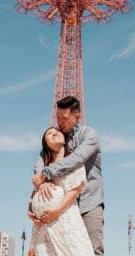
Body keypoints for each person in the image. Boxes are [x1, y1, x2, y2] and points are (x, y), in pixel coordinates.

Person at [31, 95, 104, 255]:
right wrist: (41, 183)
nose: (59, 122)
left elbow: (77, 159)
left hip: (88, 204)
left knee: (92, 250)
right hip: (62, 210)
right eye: (57, 117)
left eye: (63, 118)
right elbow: (39, 165)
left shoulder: (89, 136)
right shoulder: (57, 138)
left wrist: (46, 173)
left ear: (76, 116)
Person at [28, 127, 94, 256]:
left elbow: (75, 190)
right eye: (49, 134)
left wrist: (56, 211)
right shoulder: (43, 170)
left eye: (57, 132)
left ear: (65, 140)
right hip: (42, 226)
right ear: (45, 145)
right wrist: (31, 210)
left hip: (65, 219)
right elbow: (34, 194)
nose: (54, 134)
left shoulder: (74, 162)